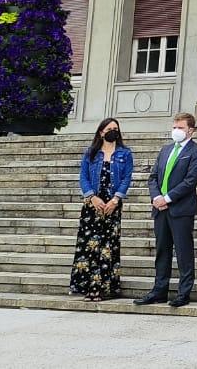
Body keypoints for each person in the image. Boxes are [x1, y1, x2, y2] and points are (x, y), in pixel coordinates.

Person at [135, 112, 197, 308]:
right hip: (160, 209)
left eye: (180, 128)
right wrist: (156, 197)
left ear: (191, 130)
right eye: (174, 127)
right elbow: (153, 177)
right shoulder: (166, 150)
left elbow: (190, 181)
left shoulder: (196, 151)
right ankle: (159, 290)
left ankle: (184, 293)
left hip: (181, 209)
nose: (176, 131)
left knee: (183, 252)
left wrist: (167, 198)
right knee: (162, 251)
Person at [71, 117, 133, 301]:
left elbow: (127, 177)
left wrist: (116, 199)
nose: (113, 131)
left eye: (116, 128)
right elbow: (83, 176)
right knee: (89, 246)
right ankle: (89, 287)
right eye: (109, 128)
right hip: (93, 204)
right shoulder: (91, 153)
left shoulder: (125, 153)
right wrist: (92, 197)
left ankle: (105, 288)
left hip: (112, 204)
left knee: (108, 245)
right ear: (101, 132)